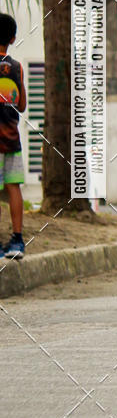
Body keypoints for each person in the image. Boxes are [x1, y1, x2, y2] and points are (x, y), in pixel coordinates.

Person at [0, 13, 27, 259]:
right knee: (13, 188)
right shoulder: (16, 67)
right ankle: (17, 241)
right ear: (12, 38)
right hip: (11, 138)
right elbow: (22, 105)